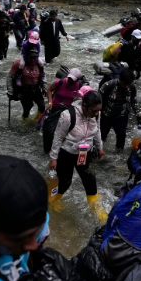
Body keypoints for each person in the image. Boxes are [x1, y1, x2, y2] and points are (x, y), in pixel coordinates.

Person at [49, 90, 106, 222]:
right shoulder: (68, 115)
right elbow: (58, 137)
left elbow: (97, 130)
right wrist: (53, 158)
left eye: (98, 111)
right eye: (93, 111)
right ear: (84, 106)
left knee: (90, 180)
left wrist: (100, 147)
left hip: (85, 152)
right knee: (65, 182)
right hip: (67, 153)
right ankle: (52, 200)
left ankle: (96, 208)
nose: (96, 114)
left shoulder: (96, 114)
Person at [99, 68, 141, 150]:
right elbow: (98, 100)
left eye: (129, 84)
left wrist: (138, 113)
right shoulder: (109, 85)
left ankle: (119, 152)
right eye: (125, 83)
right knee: (102, 135)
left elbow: (133, 100)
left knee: (122, 136)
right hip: (106, 115)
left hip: (121, 116)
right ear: (120, 79)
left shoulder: (132, 88)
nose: (126, 86)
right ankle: (100, 150)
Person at [9, 45, 45, 119]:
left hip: (36, 88)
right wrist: (10, 91)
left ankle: (36, 121)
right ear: (27, 56)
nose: (32, 60)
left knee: (42, 106)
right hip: (24, 90)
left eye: (34, 57)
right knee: (27, 108)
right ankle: (25, 122)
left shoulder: (39, 64)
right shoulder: (19, 64)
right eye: (31, 57)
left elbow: (43, 75)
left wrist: (44, 86)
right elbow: (10, 78)